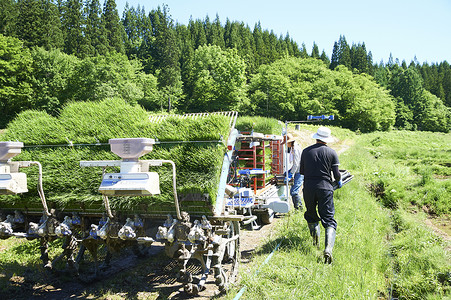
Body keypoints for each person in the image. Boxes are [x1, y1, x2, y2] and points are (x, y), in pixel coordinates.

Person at [299, 126, 342, 264]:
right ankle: (328, 249)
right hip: (325, 188)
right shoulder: (331, 152)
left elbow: (302, 172)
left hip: (309, 188)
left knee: (311, 215)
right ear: (327, 139)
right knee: (328, 219)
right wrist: (339, 181)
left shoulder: (306, 152)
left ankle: (315, 244)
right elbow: (336, 175)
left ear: (316, 137)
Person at [282, 133, 304, 210]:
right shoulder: (293, 148)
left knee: (293, 191)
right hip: (297, 170)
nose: (286, 145)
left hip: (300, 171)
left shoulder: (295, 149)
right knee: (285, 174)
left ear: (289, 142)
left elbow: (296, 163)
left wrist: (291, 174)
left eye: (286, 143)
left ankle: (299, 208)